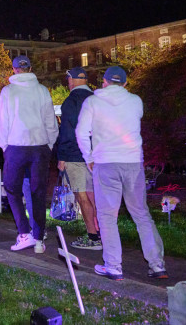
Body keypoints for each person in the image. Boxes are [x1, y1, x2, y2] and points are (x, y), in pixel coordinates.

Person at [76, 66, 167, 281]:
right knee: (141, 214)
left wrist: (88, 157)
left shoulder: (92, 102)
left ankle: (114, 266)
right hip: (133, 162)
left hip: (106, 162)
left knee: (108, 216)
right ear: (125, 84)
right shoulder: (136, 101)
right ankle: (157, 264)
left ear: (104, 82)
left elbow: (81, 133)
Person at [0, 55, 58, 254]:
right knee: (38, 192)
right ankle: (39, 239)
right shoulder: (42, 90)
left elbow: (2, 122)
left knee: (12, 189)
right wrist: (49, 144)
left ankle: (24, 232)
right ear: (30, 68)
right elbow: (51, 120)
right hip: (39, 147)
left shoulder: (8, 91)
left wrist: (5, 146)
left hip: (16, 146)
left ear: (14, 70)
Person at [54, 67, 101, 250]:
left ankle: (93, 237)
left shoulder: (70, 101)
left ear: (71, 81)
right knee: (95, 196)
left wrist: (62, 156)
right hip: (97, 154)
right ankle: (105, 234)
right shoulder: (96, 99)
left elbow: (67, 131)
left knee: (82, 196)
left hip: (75, 155)